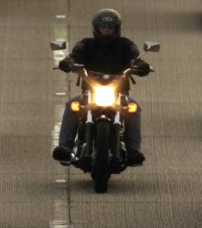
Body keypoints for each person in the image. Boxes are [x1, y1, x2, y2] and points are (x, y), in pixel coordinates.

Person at [52, 8, 150, 165]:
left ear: (116, 28)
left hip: (118, 94)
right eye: (103, 28)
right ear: (96, 28)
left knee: (133, 107)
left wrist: (142, 65)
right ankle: (65, 147)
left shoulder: (125, 45)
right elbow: (74, 57)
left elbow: (135, 59)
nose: (106, 31)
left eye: (110, 28)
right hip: (90, 93)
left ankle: (133, 150)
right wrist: (68, 63)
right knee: (72, 106)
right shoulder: (85, 45)